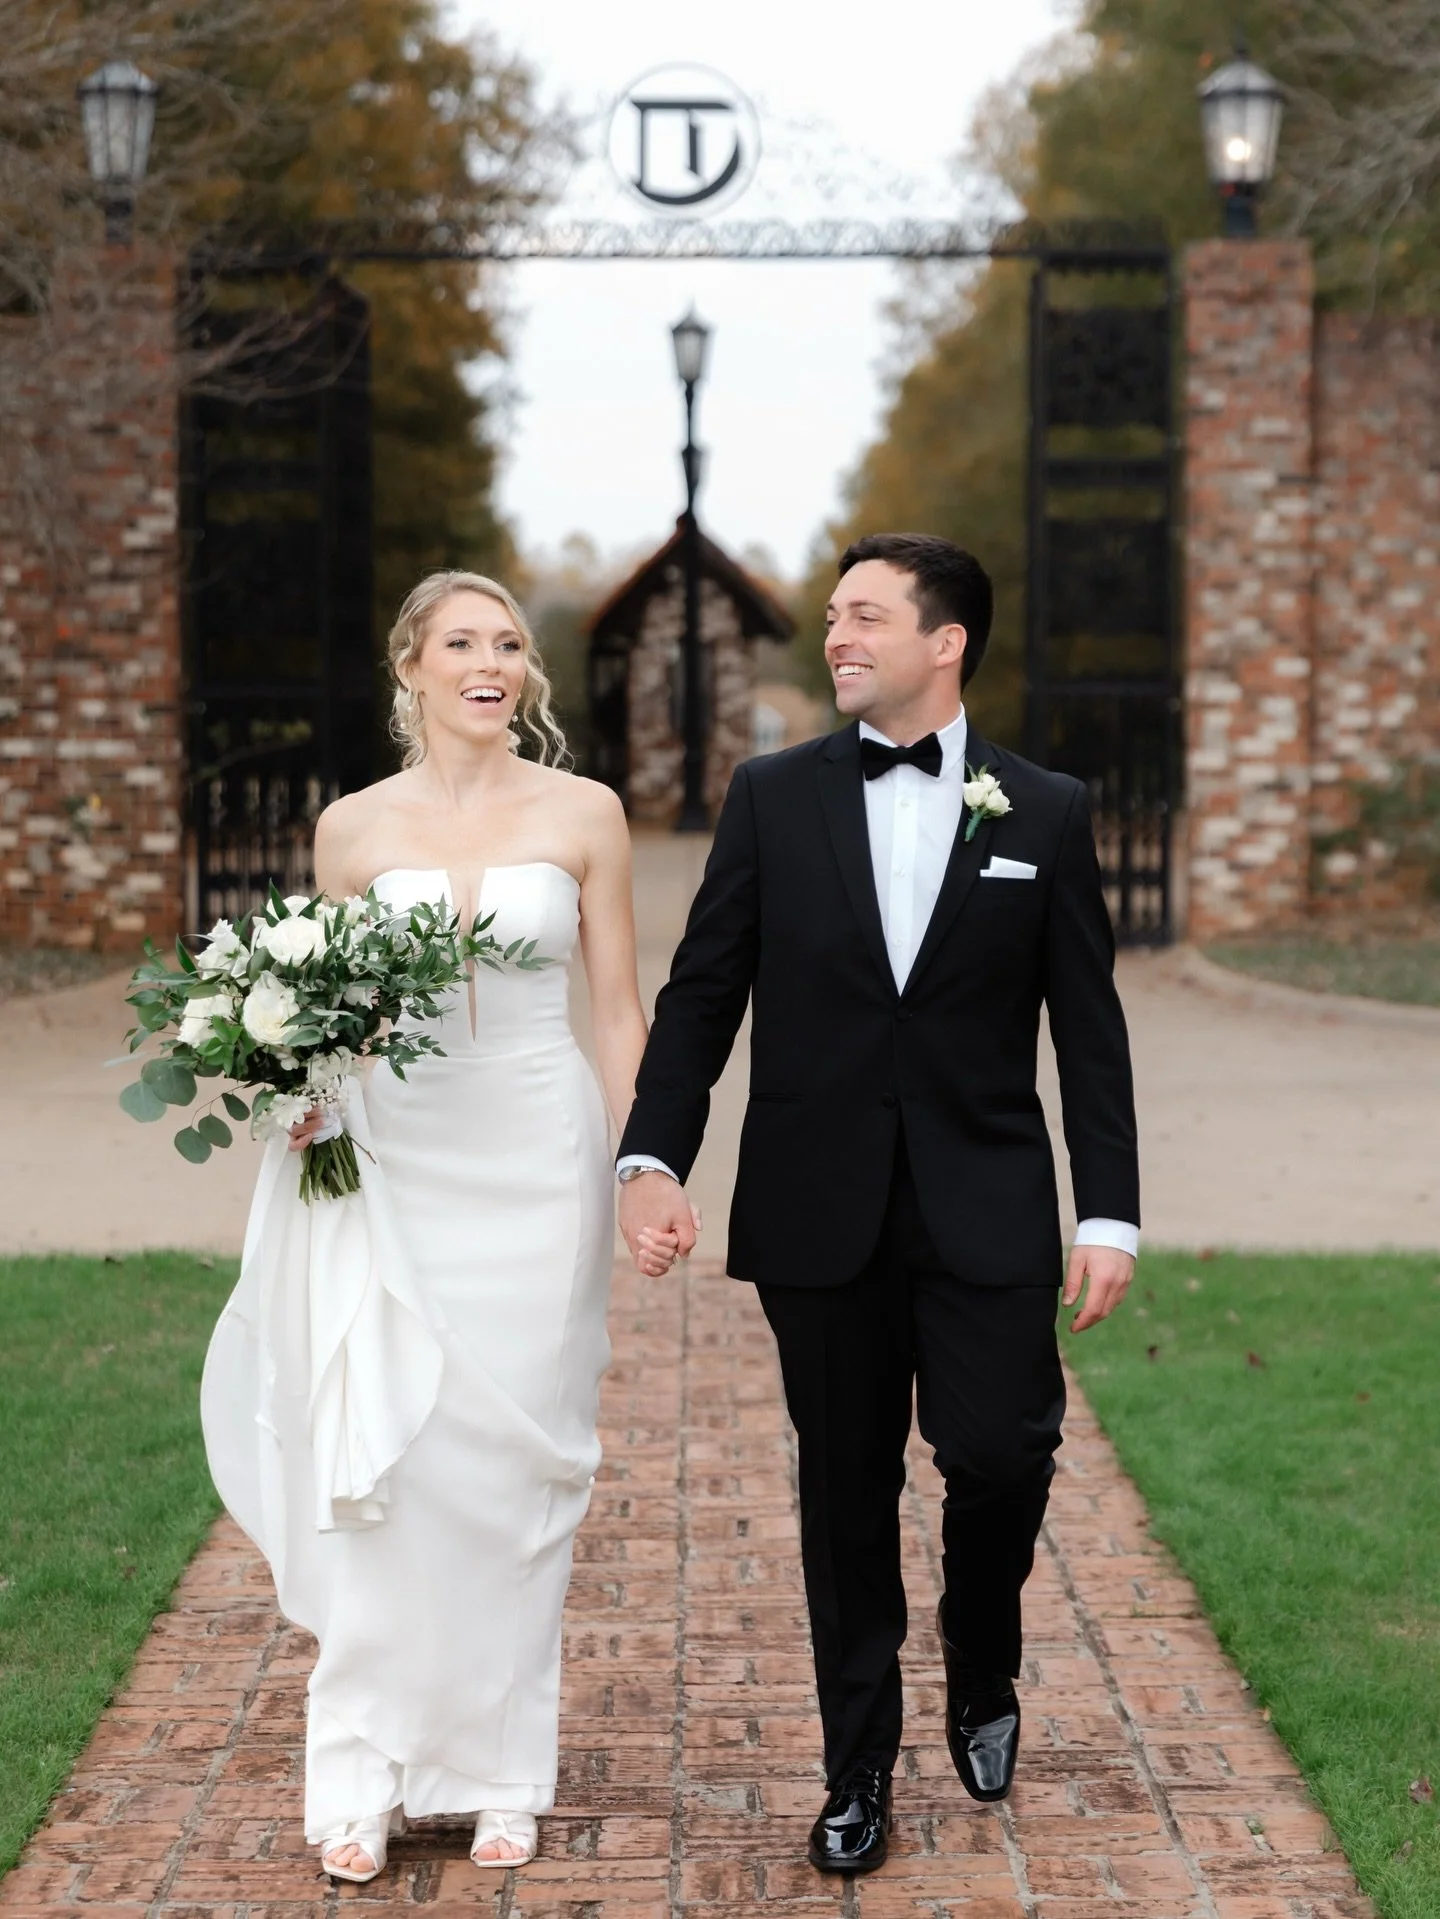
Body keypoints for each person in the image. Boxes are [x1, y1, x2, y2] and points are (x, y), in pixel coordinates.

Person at [616, 533, 1140, 1874]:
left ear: (944, 638)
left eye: (864, 617)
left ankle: (985, 1664)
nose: (837, 638)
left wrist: (1109, 1212)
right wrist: (651, 1156)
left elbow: (1088, 1029)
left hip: (990, 1204)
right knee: (843, 1494)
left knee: (1004, 1454)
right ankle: (856, 1767)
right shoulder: (772, 796)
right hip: (818, 1206)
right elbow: (702, 994)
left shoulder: (1046, 809)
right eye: (836, 617)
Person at [201, 570, 680, 1882]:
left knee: (519, 1475)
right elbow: (329, 1009)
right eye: (462, 641)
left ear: (528, 673)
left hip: (539, 1165)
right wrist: (298, 1087)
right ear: (410, 664)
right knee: (388, 1457)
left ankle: (500, 1771)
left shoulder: (586, 814)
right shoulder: (351, 830)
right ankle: (358, 1769)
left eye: (511, 643)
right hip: (395, 1161)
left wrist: (647, 1159)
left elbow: (623, 1009)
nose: (492, 661)